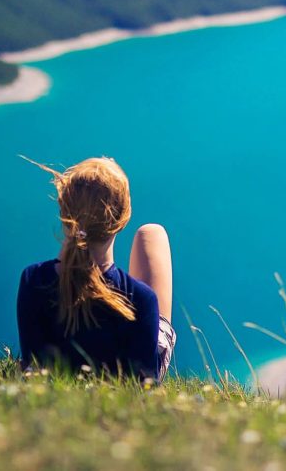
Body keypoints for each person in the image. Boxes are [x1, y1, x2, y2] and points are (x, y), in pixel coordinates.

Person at [16, 156, 175, 380]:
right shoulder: (142, 299)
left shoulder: (33, 280)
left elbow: (33, 363)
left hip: (57, 388)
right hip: (124, 385)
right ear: (123, 219)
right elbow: (144, 384)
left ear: (64, 213)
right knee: (152, 233)